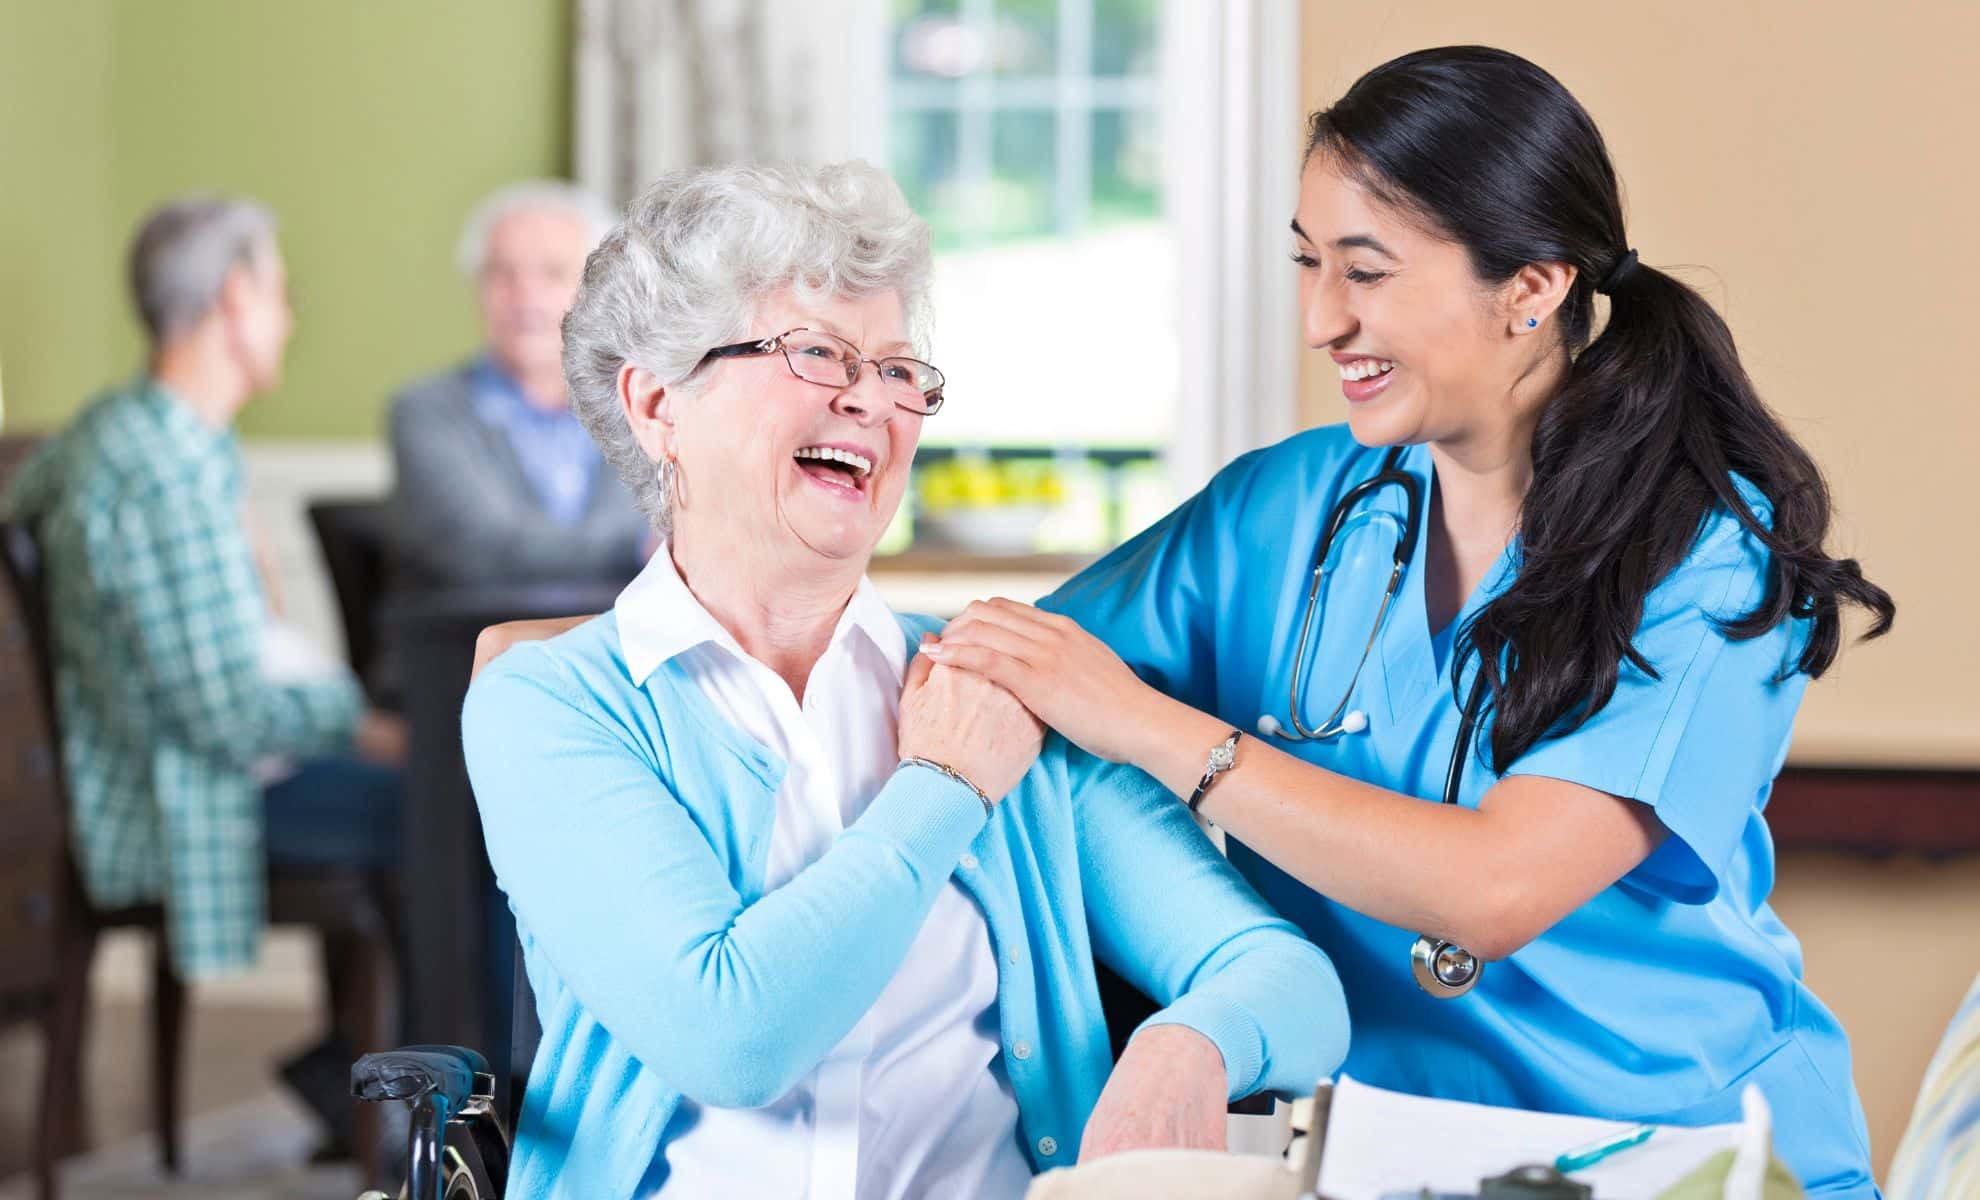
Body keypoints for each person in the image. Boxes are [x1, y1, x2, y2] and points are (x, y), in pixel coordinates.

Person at [919, 47, 1893, 1196]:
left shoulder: (1707, 555)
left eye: (1367, 272)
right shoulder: (1281, 513)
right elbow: (1004, 687)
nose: (1323, 319)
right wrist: (1210, 991)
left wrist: (1151, 728)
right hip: (1373, 1160)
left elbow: (1495, 891)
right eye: (1308, 263)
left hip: (1677, 1154)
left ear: (1533, 287)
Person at [461, 160, 1348, 1200]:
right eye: (815, 353)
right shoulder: (552, 705)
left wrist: (1189, 1042)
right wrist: (946, 786)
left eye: (896, 369)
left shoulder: (1003, 683)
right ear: (658, 402)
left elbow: (1294, 987)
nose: (869, 399)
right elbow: (730, 1037)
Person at [1, 196, 406, 1143]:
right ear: (235, 297)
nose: (289, 317)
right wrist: (362, 723)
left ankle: (359, 1079)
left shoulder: (143, 436)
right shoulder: (161, 467)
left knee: (431, 791)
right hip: (184, 794)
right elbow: (223, 711)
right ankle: (425, 1092)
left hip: (197, 764)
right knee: (446, 805)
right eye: (281, 292)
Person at [388, 181, 648, 586]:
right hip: (477, 644)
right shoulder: (426, 411)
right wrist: (641, 546)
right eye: (502, 274)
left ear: (599, 293)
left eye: (552, 273)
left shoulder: (644, 407)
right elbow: (487, 547)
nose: (525, 296)